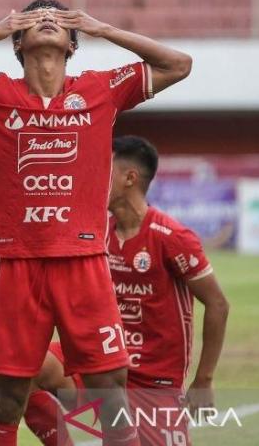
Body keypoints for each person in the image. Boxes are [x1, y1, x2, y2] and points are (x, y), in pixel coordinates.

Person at [0, 0, 192, 445]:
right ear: (18, 42)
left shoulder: (100, 89)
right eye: (35, 19)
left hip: (85, 262)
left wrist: (102, 27)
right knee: (7, 401)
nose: (47, 21)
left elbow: (179, 64)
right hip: (21, 266)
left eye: (57, 19)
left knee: (110, 393)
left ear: (73, 43)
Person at [21, 136, 229, 446]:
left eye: (102, 170)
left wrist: (204, 380)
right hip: (100, 365)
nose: (90, 177)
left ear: (130, 178)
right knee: (26, 362)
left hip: (153, 383)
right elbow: (51, 291)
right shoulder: (95, 233)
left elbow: (217, 304)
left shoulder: (172, 238)